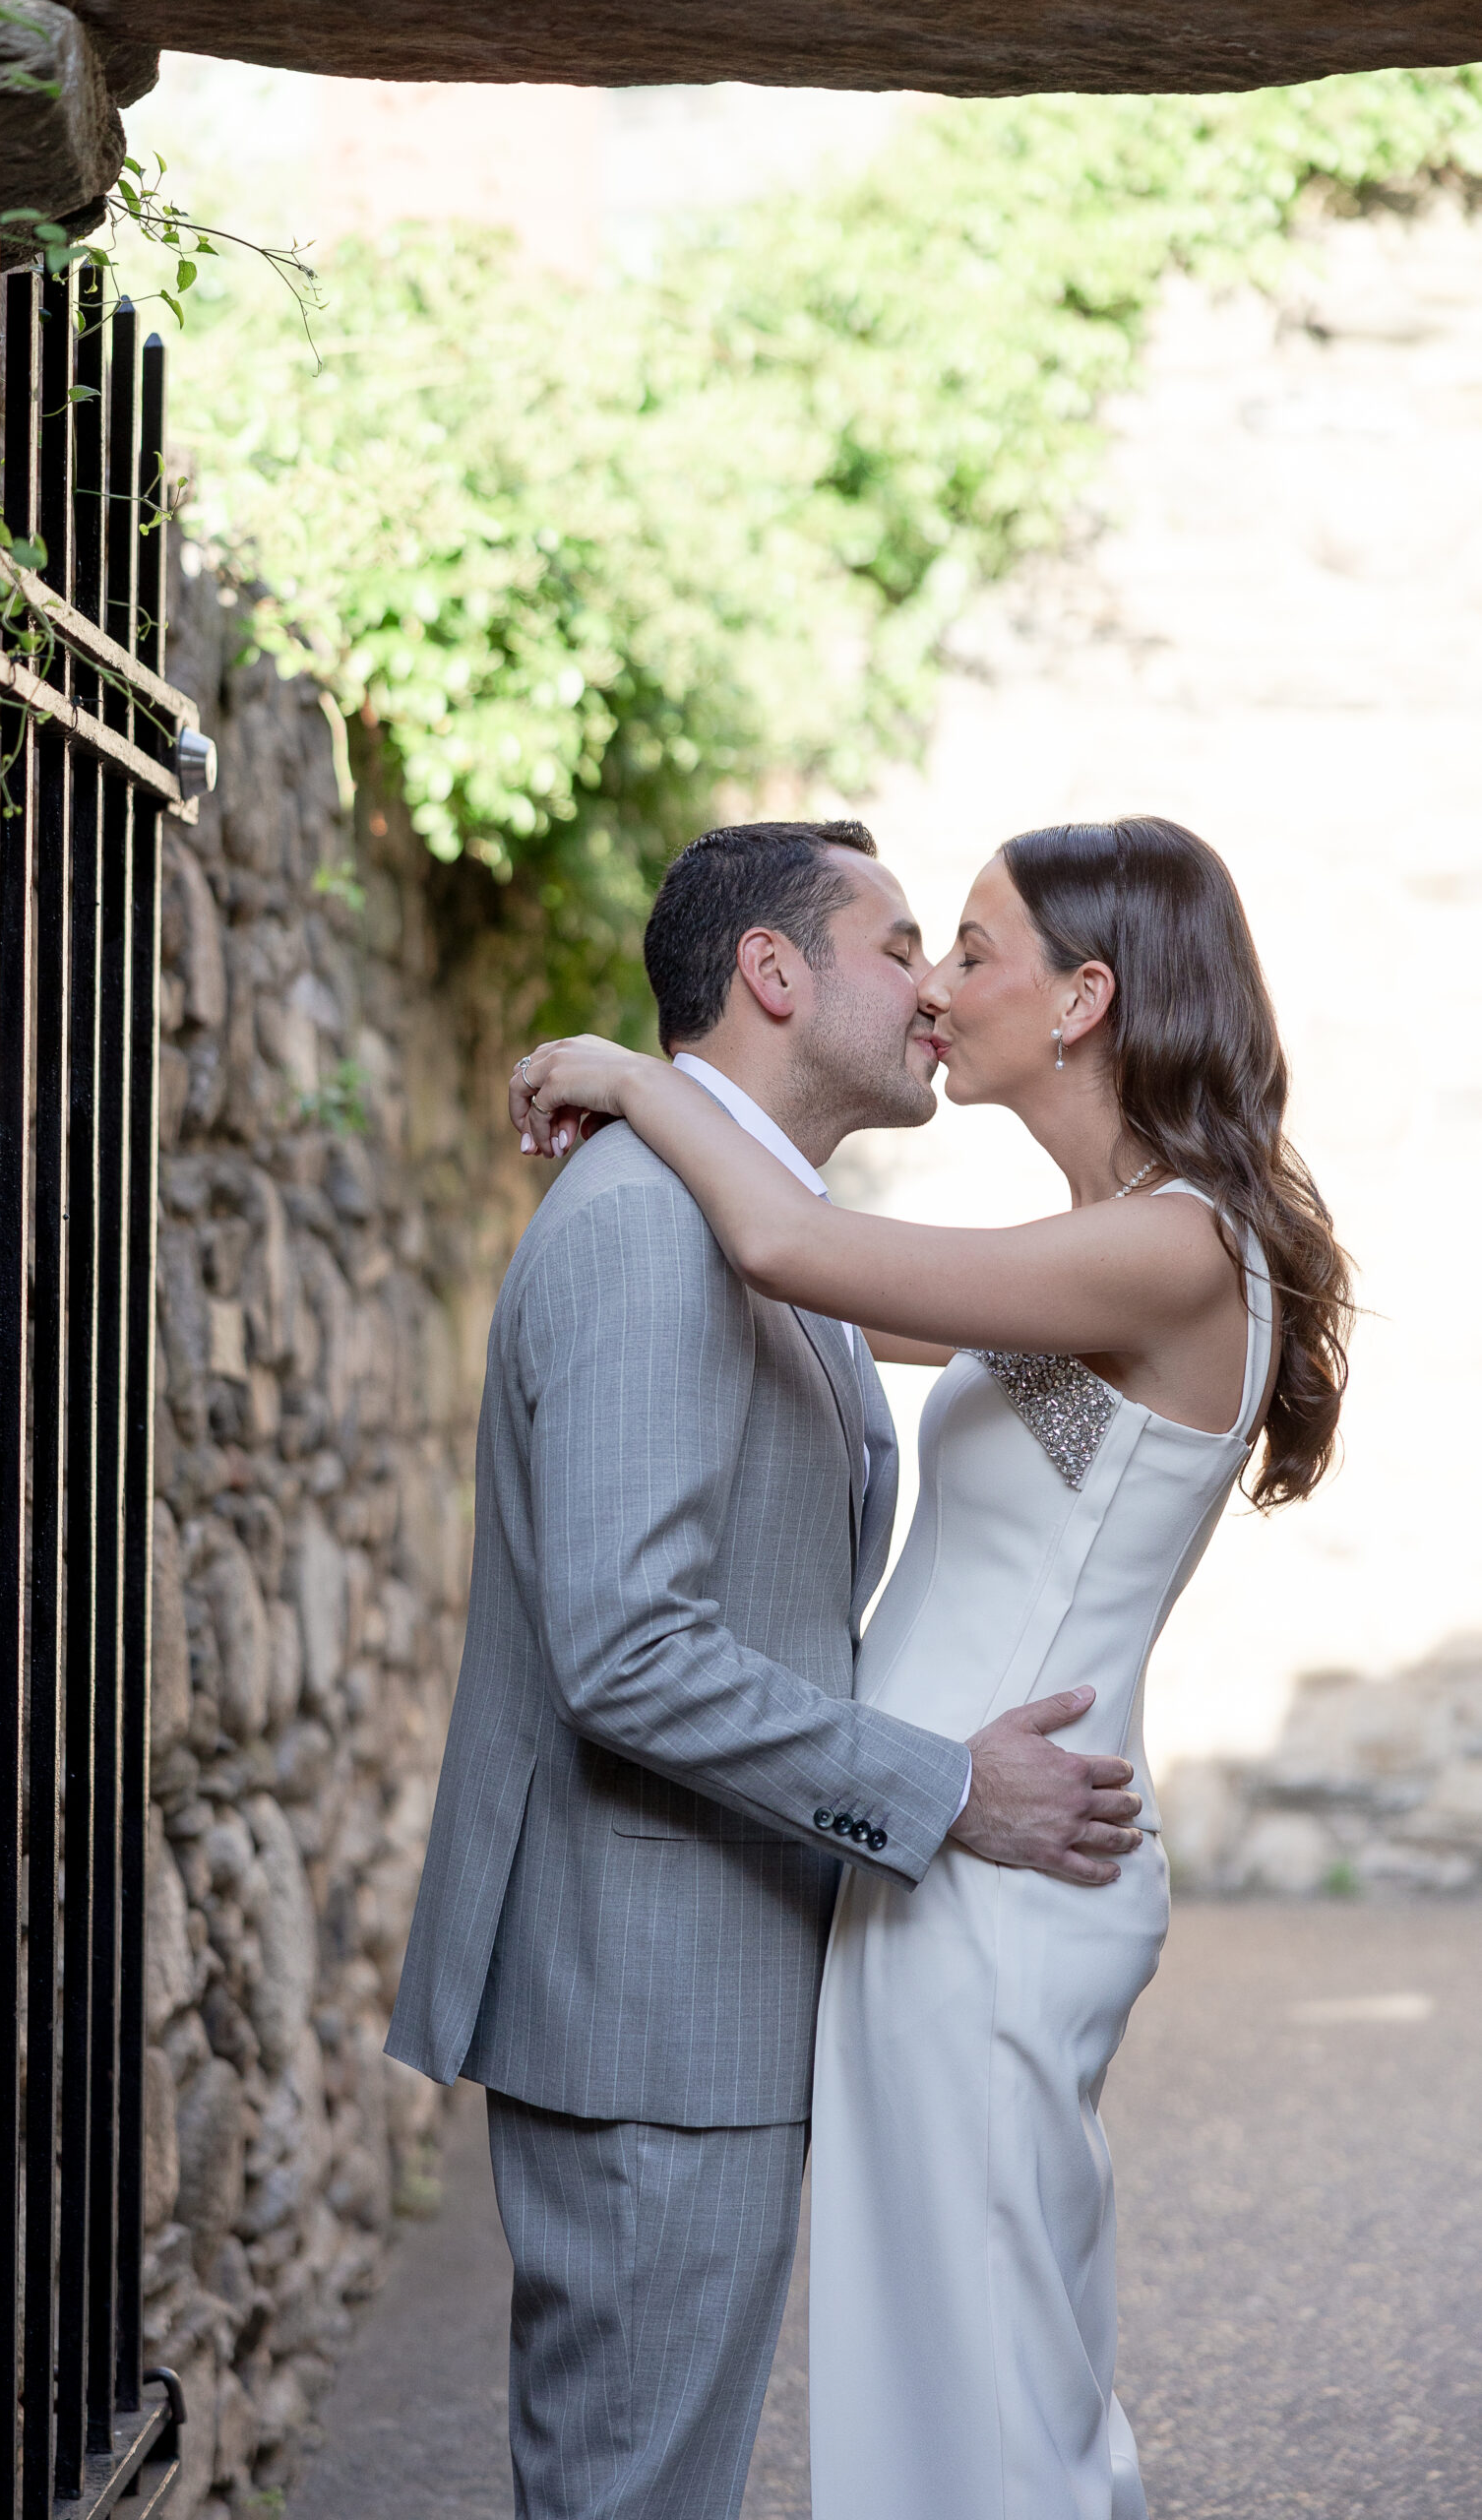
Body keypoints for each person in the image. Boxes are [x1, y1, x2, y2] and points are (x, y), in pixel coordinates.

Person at [507, 814, 1351, 2520]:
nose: (942, 990)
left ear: (1085, 998)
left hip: (1001, 1868)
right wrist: (688, 1143)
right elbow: (821, 1302)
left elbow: (796, 1252)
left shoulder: (1177, 1245)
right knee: (947, 2381)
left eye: (972, 949)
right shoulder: (1085, 1249)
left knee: (987, 2408)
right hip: (939, 1866)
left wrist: (645, 1075)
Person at [387, 819, 1148, 2520]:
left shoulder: (753, 1222)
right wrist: (950, 1789)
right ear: (774, 974)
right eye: (899, 947)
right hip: (648, 2005)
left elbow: (1041, 1312)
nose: (934, 992)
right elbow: (630, 1649)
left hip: (700, 1989)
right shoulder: (656, 1228)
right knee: (633, 2493)